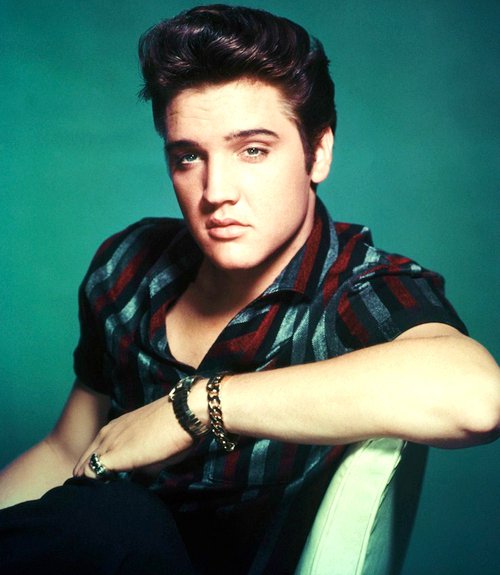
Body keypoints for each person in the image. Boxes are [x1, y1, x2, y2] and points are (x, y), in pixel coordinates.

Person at [0, 4, 498, 574]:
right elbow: (68, 449)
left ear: (318, 153)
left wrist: (197, 406)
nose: (216, 191)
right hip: (83, 549)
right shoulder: (128, 265)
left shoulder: (353, 289)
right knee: (108, 518)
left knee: (120, 520)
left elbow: (477, 398)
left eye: (253, 150)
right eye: (189, 156)